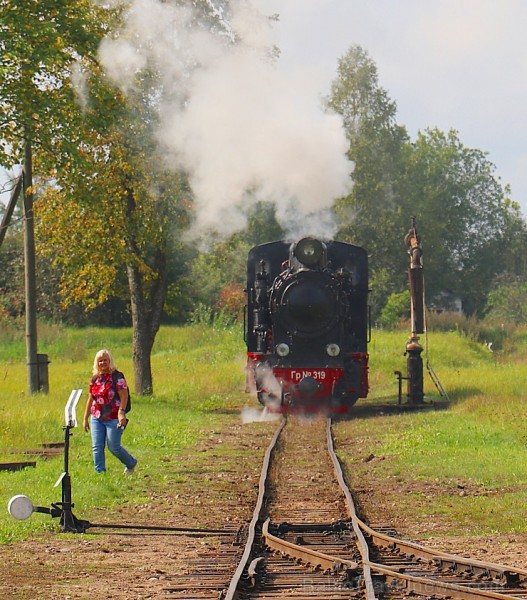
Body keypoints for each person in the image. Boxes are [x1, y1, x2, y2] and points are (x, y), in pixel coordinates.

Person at [83, 349, 138, 475]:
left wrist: (121, 413)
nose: (102, 363)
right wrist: (85, 418)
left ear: (110, 361)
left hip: (114, 417)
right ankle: (100, 473)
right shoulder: (95, 379)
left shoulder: (117, 376)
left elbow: (124, 396)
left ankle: (130, 463)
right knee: (97, 447)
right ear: (96, 363)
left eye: (105, 360)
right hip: (97, 417)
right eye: (100, 361)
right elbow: (91, 398)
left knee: (113, 447)